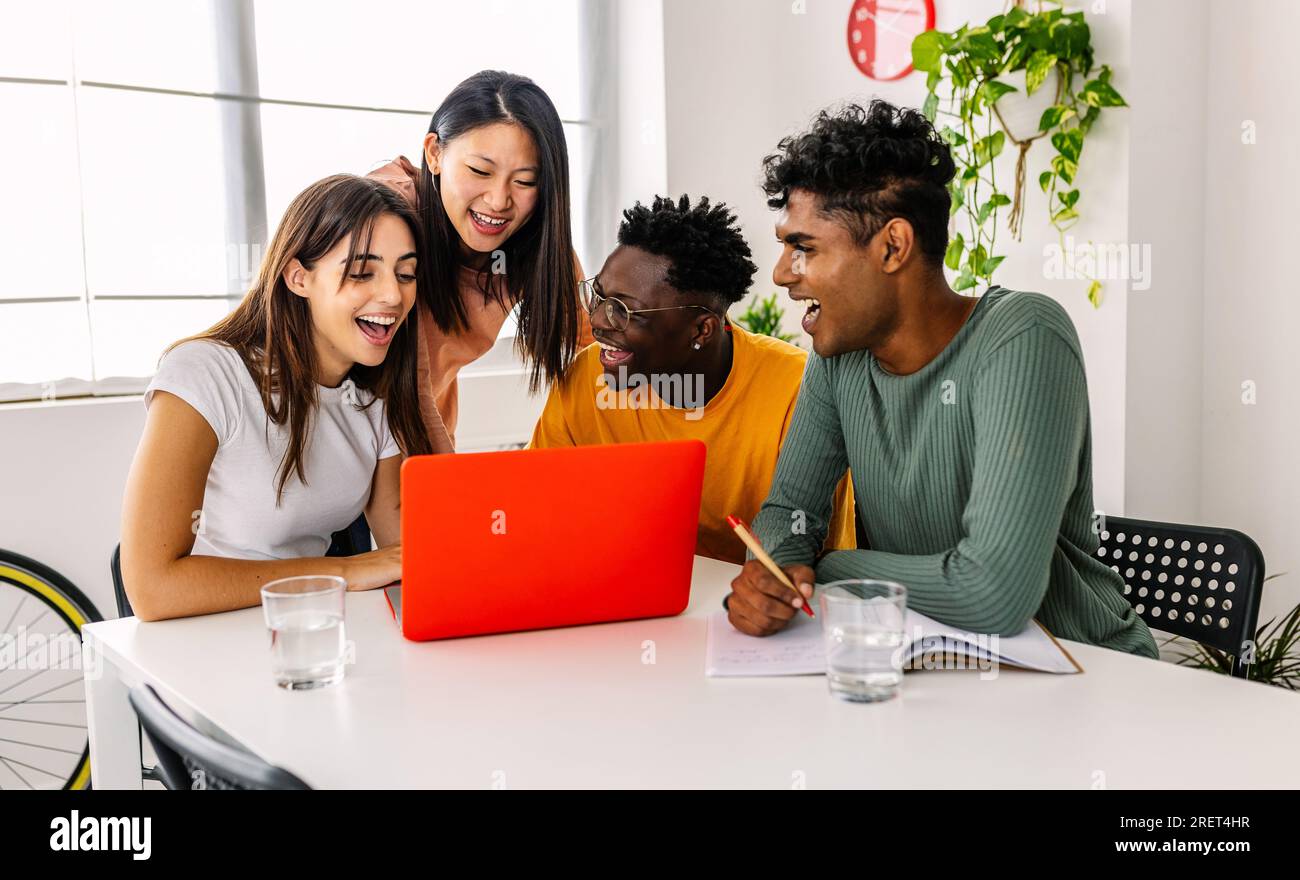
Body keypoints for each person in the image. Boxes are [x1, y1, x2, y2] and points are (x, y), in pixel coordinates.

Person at [727, 100, 1157, 658]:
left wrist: (827, 566)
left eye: (803, 248)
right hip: (933, 664)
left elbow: (994, 594)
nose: (783, 273)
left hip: (1085, 672)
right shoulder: (840, 356)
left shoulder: (1023, 337)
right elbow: (789, 513)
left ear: (893, 247)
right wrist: (779, 566)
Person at [119, 175, 429, 621]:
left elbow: (399, 550)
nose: (393, 295)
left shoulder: (373, 398)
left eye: (406, 274)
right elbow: (153, 589)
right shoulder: (206, 373)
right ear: (299, 277)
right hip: (199, 645)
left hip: (309, 630)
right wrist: (341, 571)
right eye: (363, 272)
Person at [531, 194, 855, 564]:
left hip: (753, 607)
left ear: (701, 330)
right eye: (599, 296)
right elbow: (537, 503)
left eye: (624, 310)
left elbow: (810, 553)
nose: (599, 321)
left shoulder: (797, 389)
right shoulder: (588, 374)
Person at [368, 70, 593, 452]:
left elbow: (593, 356)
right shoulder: (387, 217)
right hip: (343, 441)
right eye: (479, 171)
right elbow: (410, 380)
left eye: (524, 181)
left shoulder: (534, 246)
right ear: (435, 153)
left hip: (425, 441)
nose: (498, 200)